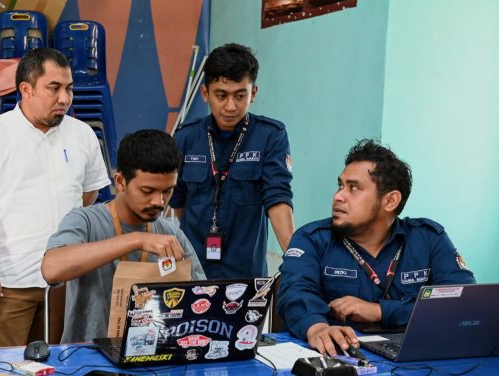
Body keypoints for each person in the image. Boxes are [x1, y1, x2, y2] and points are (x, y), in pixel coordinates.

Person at [0, 48, 109, 347]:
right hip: (10, 282)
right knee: (1, 370)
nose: (65, 98)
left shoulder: (83, 135)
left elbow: (87, 195)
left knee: (59, 366)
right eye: (54, 88)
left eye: (69, 89)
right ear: (26, 89)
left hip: (65, 281)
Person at [277, 139, 476, 356]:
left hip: (415, 363)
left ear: (390, 201)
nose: (338, 196)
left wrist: (381, 311)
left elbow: (462, 301)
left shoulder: (428, 239)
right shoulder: (311, 239)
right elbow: (295, 292)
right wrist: (318, 328)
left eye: (353, 188)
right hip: (339, 359)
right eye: (340, 185)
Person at [42, 129, 206, 343]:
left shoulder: (170, 232)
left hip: (154, 355)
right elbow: (51, 269)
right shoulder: (86, 221)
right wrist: (135, 240)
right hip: (87, 358)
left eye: (167, 191)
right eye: (147, 191)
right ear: (120, 182)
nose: (159, 201)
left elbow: (202, 296)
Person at [170, 43, 294, 278]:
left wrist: (296, 259)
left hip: (245, 274)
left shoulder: (270, 136)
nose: (230, 107)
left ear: (253, 93)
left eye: (240, 96)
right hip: (194, 271)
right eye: (221, 95)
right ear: (205, 94)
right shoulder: (185, 137)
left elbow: (278, 199)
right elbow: (179, 204)